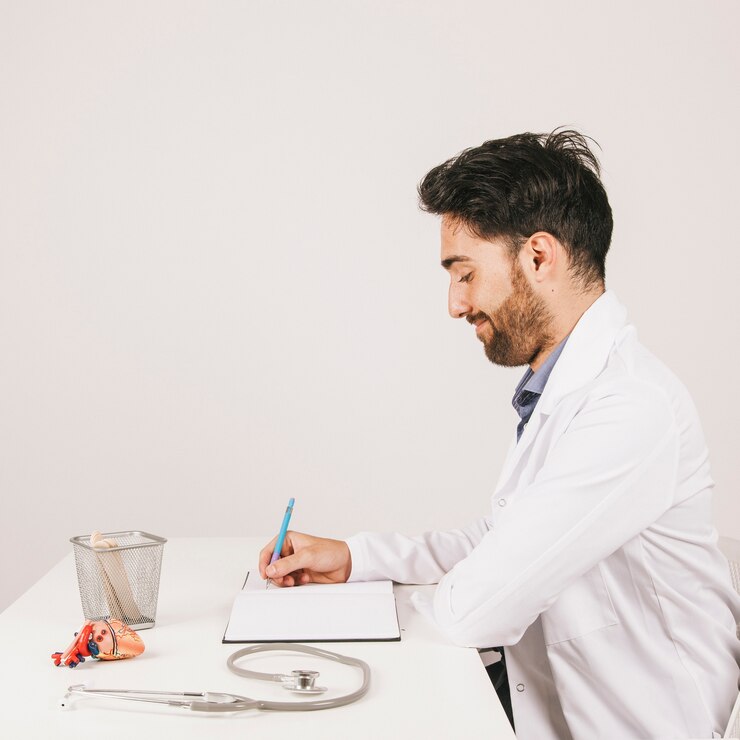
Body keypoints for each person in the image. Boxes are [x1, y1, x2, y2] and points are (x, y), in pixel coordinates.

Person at [259, 129, 740, 739]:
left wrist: (383, 605)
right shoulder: (565, 389)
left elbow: (475, 609)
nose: (455, 305)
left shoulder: (629, 408)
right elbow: (504, 541)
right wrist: (356, 560)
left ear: (539, 257)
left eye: (464, 273)